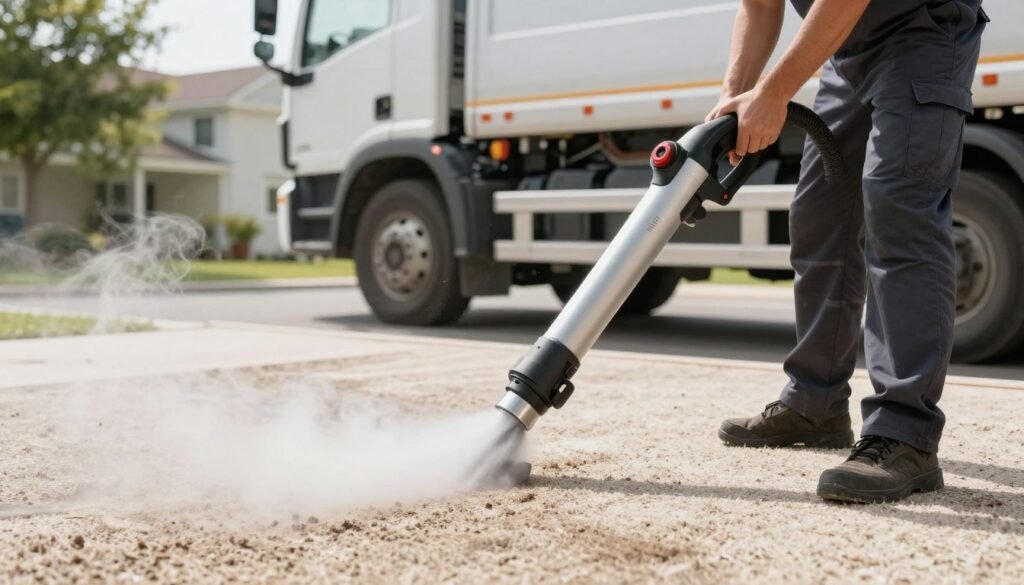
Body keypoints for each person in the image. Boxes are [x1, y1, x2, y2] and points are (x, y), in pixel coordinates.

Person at [709, 0, 987, 503]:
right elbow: (760, 4)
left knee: (900, 213)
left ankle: (906, 434)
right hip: (847, 52)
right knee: (820, 217)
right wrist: (734, 100)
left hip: (922, 30)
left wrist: (774, 91)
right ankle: (815, 402)